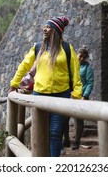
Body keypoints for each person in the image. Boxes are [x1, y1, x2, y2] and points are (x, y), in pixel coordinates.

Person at [8, 16, 82, 157]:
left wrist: (77, 94)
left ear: (56, 31)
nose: (44, 29)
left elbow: (75, 71)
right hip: (39, 96)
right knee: (40, 132)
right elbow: (24, 65)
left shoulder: (66, 48)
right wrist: (14, 83)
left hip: (61, 95)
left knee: (55, 132)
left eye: (48, 27)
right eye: (45, 26)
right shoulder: (37, 48)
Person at [71, 46, 94, 150]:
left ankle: (76, 142)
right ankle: (65, 140)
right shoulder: (72, 66)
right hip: (70, 95)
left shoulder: (87, 68)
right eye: (80, 56)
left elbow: (90, 83)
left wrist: (85, 96)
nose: (80, 59)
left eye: (83, 58)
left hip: (81, 97)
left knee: (79, 120)